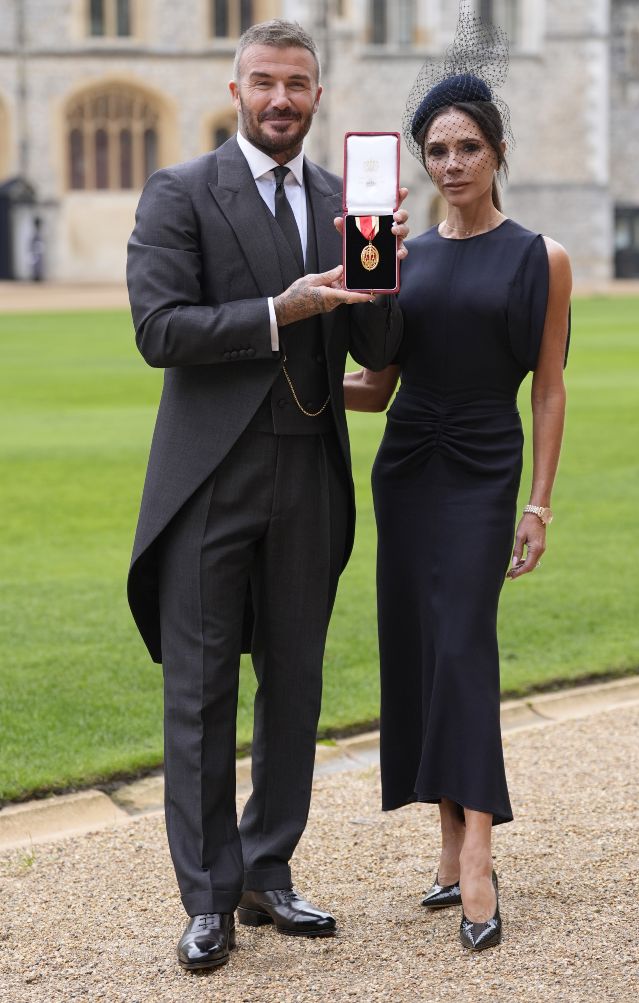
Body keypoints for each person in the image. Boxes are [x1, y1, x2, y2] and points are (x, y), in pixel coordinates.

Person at [126, 18, 408, 971]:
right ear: (235, 87)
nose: (280, 99)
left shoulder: (342, 197)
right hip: (210, 476)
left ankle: (265, 869)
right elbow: (160, 328)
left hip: (309, 471)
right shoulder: (180, 192)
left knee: (294, 683)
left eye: (297, 84)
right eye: (264, 83)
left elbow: (376, 350)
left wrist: (384, 269)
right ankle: (206, 897)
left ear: (318, 97)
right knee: (199, 691)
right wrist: (278, 311)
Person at [344, 68, 571, 952]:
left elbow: (548, 391)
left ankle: (478, 853)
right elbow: (378, 386)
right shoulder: (402, 257)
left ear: (498, 151)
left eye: (467, 146)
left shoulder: (539, 257)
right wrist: (294, 370)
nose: (450, 163)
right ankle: (446, 843)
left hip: (485, 467)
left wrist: (539, 505)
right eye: (435, 150)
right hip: (406, 466)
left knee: (466, 643)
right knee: (421, 649)